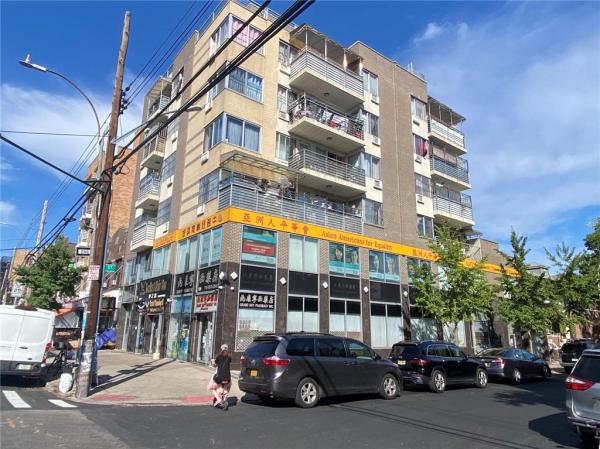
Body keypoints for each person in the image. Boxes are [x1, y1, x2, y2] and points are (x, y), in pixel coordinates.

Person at [208, 344, 232, 410]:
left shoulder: (219, 357)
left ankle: (218, 399)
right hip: (228, 378)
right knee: (228, 386)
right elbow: (228, 362)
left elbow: (215, 364)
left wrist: (213, 361)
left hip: (219, 378)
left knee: (211, 388)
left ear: (221, 349)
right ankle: (225, 398)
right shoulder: (229, 357)